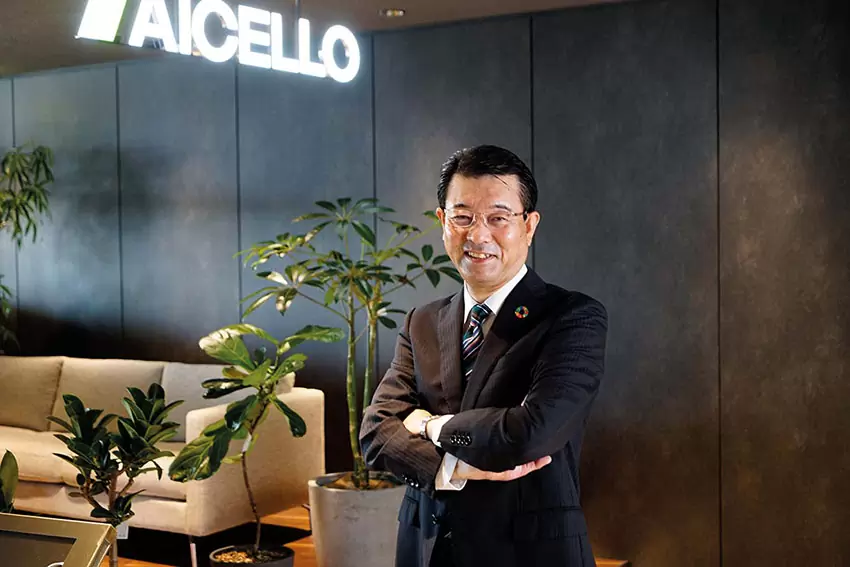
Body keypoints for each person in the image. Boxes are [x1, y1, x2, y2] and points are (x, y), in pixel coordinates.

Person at [359, 145, 608, 567]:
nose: (477, 235)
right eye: (463, 217)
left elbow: (531, 433)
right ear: (443, 221)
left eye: (498, 218)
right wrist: (452, 468)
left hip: (527, 554)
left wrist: (431, 426)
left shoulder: (571, 317)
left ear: (529, 226)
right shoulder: (422, 321)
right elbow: (376, 433)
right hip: (426, 549)